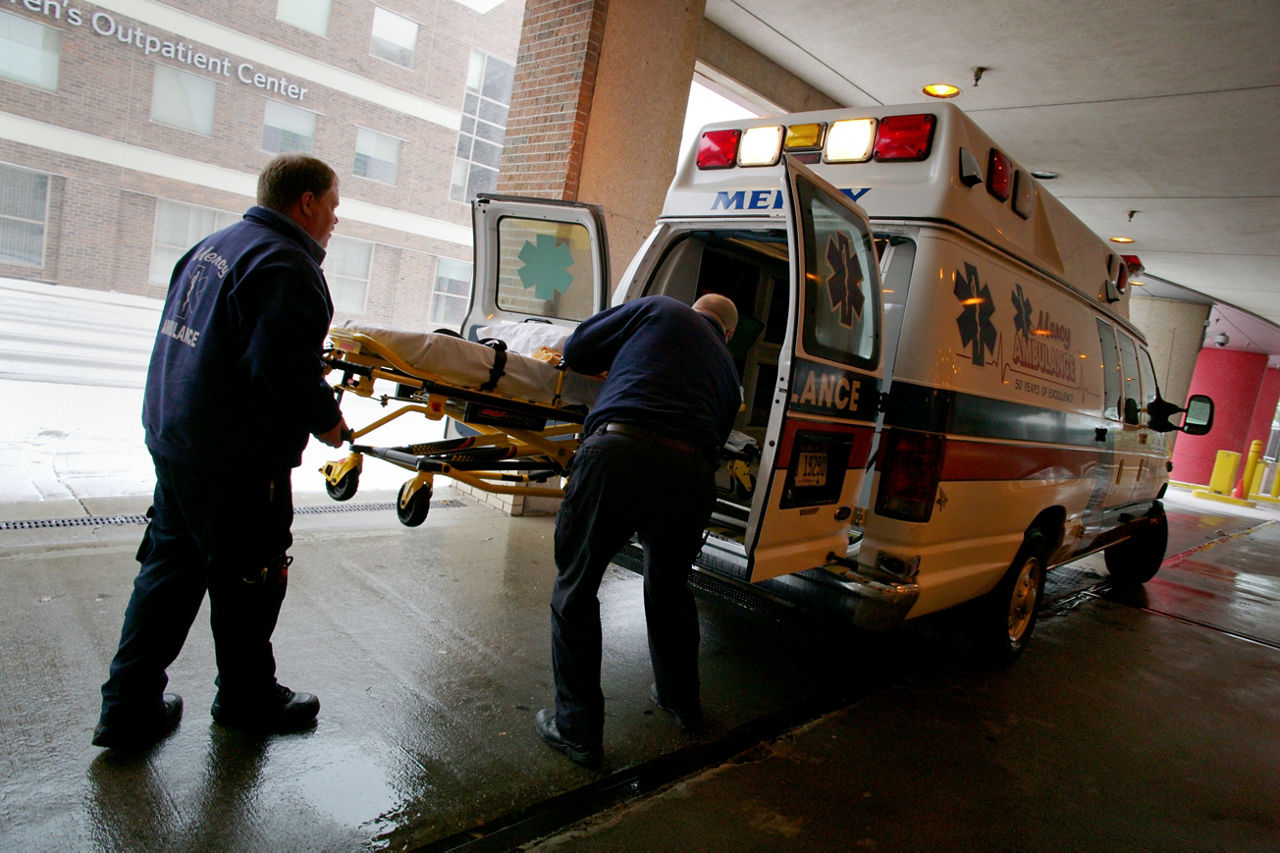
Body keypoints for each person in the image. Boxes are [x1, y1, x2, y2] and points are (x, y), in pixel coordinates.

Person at [92, 153, 349, 750]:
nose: (336, 220)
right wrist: (329, 421)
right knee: (252, 576)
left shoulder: (218, 245)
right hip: (233, 456)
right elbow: (281, 373)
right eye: (332, 206)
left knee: (171, 569)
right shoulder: (286, 265)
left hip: (178, 436)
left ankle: (127, 708)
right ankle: (246, 697)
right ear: (305, 202)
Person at [534, 293, 741, 767]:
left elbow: (580, 347)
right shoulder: (728, 369)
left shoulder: (662, 309)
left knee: (577, 590)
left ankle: (579, 732)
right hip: (690, 476)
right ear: (726, 333)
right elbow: (717, 432)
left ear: (694, 308)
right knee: (669, 588)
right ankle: (682, 703)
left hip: (619, 454)